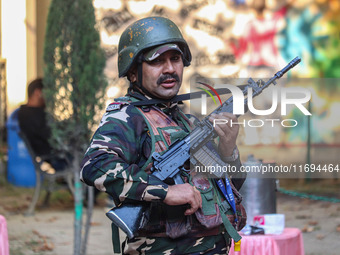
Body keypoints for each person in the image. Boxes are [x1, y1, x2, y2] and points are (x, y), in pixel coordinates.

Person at [80, 17, 246, 255]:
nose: (169, 69)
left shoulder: (186, 122)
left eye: (175, 59)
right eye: (157, 61)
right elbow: (94, 166)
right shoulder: (128, 117)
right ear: (134, 73)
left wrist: (228, 150)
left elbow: (230, 187)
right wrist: (164, 192)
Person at [18, 78, 67, 171]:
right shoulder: (34, 114)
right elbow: (51, 135)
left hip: (50, 154)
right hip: (55, 156)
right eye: (46, 92)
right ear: (38, 92)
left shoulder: (23, 112)